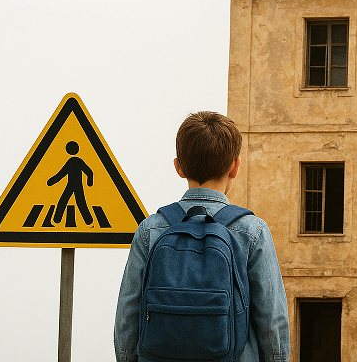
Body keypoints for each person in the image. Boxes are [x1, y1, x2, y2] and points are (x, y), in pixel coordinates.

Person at [114, 111, 290, 362]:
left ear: (179, 167)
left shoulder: (150, 230)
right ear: (235, 166)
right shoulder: (252, 231)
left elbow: (126, 320)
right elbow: (273, 324)